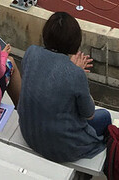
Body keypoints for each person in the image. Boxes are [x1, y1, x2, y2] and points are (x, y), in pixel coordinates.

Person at [19, 11, 112, 162]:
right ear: (74, 42)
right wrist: (78, 71)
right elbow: (89, 114)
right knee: (105, 116)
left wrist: (71, 69)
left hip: (29, 132)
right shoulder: (75, 74)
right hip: (62, 147)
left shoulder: (31, 52)